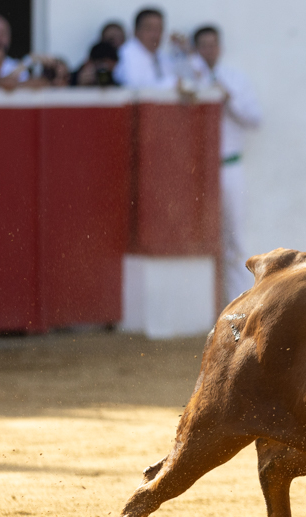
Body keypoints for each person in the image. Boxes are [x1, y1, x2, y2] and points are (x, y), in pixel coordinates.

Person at [189, 24, 263, 303]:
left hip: (229, 165)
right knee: (196, 237)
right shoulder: (188, 77)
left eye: (213, 44)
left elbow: (256, 119)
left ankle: (237, 307)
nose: (209, 50)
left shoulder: (235, 79)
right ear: (197, 49)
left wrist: (228, 97)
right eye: (204, 45)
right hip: (196, 171)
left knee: (235, 239)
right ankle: (201, 305)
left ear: (219, 47)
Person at [114, 7, 178, 88]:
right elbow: (135, 86)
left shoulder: (160, 55)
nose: (155, 34)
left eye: (159, 29)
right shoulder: (127, 53)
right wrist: (172, 83)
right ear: (136, 31)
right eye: (149, 29)